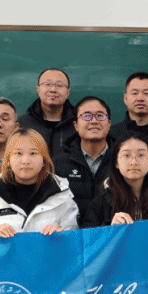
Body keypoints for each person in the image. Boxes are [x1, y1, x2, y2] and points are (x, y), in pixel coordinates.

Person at [0, 128, 79, 237]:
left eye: (33, 153)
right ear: (8, 160)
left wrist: (62, 235)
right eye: (18, 153)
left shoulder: (63, 200)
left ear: (44, 161)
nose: (25, 161)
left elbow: (75, 243)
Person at [83, 135, 148, 227]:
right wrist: (110, 229)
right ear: (116, 162)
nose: (134, 162)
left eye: (141, 155)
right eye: (127, 155)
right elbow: (87, 240)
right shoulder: (101, 202)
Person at [52, 96, 116, 224]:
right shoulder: (58, 165)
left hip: (113, 233)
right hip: (71, 233)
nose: (94, 121)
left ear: (109, 123)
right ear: (75, 125)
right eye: (87, 116)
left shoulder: (123, 161)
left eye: (100, 116)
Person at [18, 67, 77, 157]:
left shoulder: (79, 124)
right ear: (38, 89)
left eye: (59, 85)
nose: (53, 89)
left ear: (68, 92)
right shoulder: (22, 123)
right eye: (47, 84)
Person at [112, 72, 148, 150]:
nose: (140, 98)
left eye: (146, 93)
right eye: (135, 93)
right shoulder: (111, 135)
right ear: (125, 99)